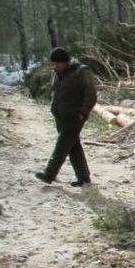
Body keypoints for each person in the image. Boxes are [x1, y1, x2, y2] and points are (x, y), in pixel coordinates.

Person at [35, 47, 97, 187]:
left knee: (62, 146)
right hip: (61, 116)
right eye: (54, 63)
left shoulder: (82, 71)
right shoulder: (57, 73)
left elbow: (91, 95)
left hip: (75, 117)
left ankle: (49, 174)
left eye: (58, 63)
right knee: (73, 146)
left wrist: (82, 113)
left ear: (66, 61)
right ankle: (84, 177)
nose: (55, 66)